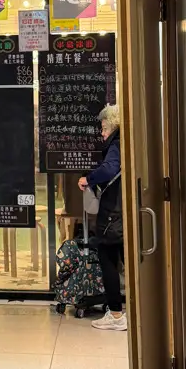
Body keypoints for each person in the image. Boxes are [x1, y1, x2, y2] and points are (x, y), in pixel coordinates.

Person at [79, 102, 125, 331]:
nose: (102, 133)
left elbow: (108, 169)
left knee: (108, 261)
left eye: (104, 128)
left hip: (112, 216)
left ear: (113, 125)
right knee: (126, 261)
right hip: (122, 214)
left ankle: (116, 314)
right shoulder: (126, 141)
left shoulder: (115, 144)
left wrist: (88, 179)